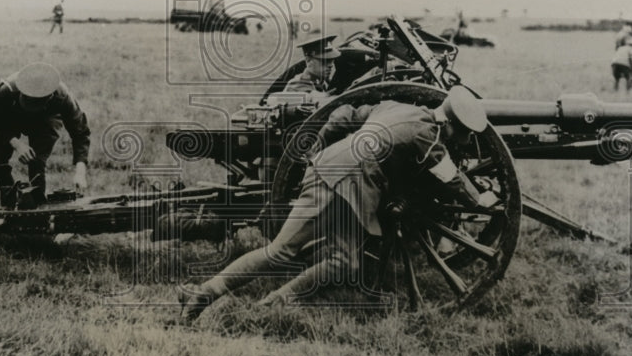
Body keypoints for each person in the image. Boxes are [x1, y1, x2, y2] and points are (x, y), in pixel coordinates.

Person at [178, 86, 491, 321]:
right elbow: (451, 179)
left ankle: (206, 294)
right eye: (459, 134)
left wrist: (322, 143)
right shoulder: (430, 137)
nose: (455, 140)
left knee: (285, 252)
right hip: (351, 185)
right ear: (450, 124)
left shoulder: (397, 106)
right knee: (334, 261)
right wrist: (482, 199)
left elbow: (347, 115)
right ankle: (271, 305)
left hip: (326, 166)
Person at [0, 62, 90, 207]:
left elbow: (81, 132)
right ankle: (9, 202)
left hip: (44, 120)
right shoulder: (6, 90)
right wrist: (16, 142)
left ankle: (37, 207)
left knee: (37, 161)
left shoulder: (62, 97)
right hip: (10, 117)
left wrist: (80, 171)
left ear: (49, 98)